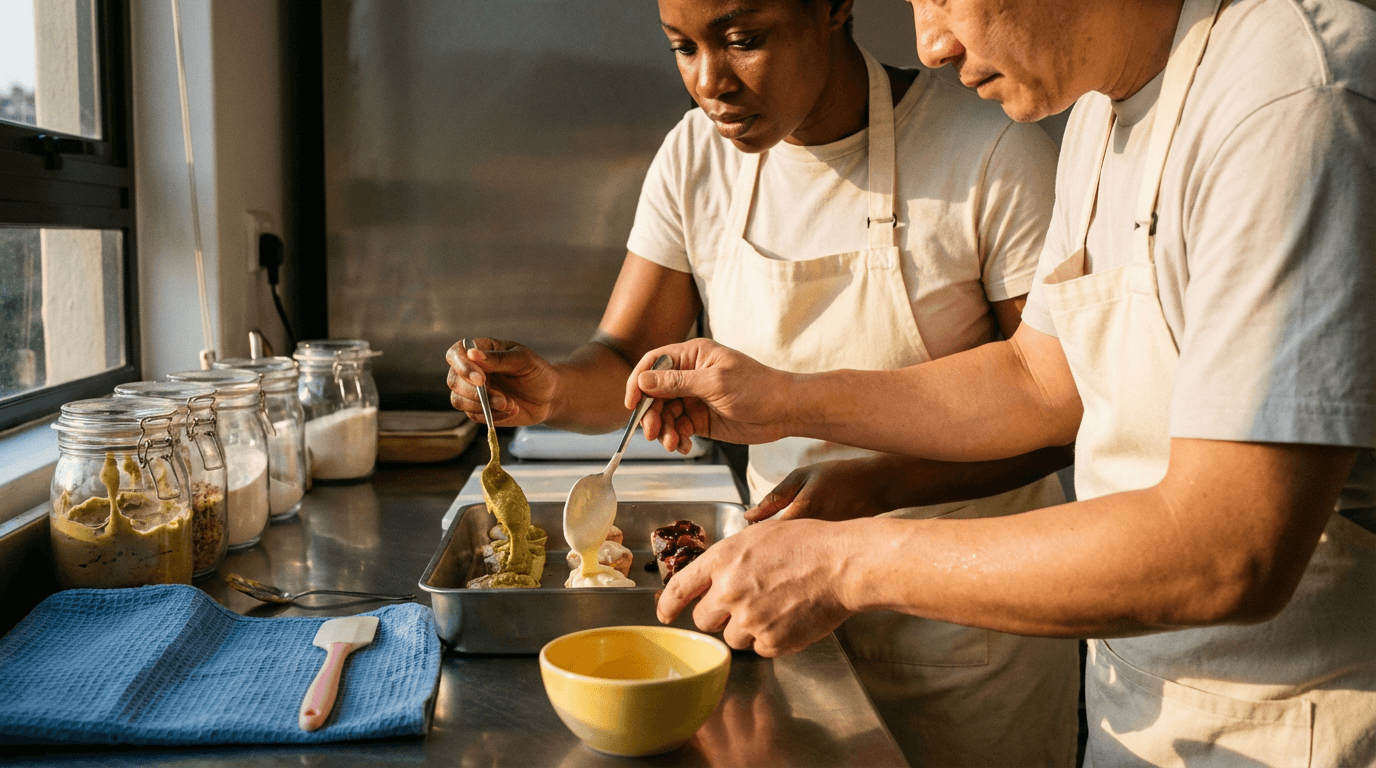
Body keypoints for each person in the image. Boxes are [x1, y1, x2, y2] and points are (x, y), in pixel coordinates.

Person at [628, 0, 1376, 765]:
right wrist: (783, 399)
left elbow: (1229, 548)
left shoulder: (1288, 98)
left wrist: (845, 563)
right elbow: (1039, 379)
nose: (931, 43)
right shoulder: (1097, 116)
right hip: (1147, 702)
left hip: (1301, 722)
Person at [446, 1, 1082, 764]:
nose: (710, 82)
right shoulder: (695, 157)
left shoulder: (988, 148)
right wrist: (550, 390)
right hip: (773, 621)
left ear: (834, 7)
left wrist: (869, 488)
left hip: (964, 642)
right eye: (683, 47)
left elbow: (1061, 410)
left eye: (744, 40)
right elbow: (625, 359)